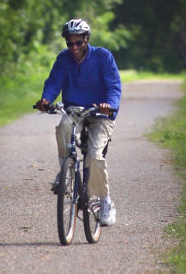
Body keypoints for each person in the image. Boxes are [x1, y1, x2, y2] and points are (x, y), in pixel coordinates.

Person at [34, 18, 121, 227]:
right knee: (64, 125)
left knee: (93, 155)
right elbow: (54, 81)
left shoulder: (103, 56)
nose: (73, 47)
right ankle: (66, 167)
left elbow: (114, 85)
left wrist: (109, 105)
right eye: (69, 43)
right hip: (74, 109)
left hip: (100, 113)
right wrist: (46, 99)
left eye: (78, 43)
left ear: (87, 40)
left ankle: (104, 200)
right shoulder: (63, 59)